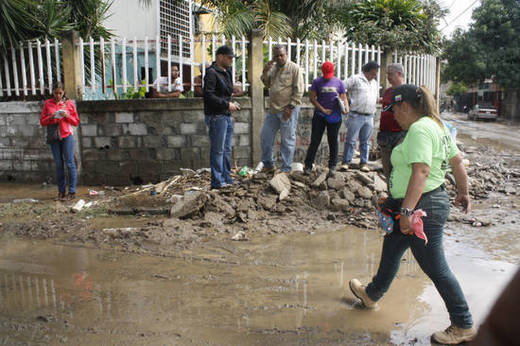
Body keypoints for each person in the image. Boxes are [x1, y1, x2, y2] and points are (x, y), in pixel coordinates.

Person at [348, 84, 476, 345]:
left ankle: (463, 324)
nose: (393, 115)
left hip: (421, 207)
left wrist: (407, 210)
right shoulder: (437, 126)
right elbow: (457, 163)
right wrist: (463, 192)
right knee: (393, 245)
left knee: (435, 266)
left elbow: (421, 172)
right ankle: (371, 294)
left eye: (394, 109)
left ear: (404, 106)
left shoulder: (419, 129)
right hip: (422, 201)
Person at [260, 45, 304, 173]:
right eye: (276, 56)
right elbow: (267, 84)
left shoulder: (294, 68)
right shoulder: (273, 68)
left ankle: (286, 169)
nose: (279, 58)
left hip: (288, 109)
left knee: (287, 140)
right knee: (265, 137)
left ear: (286, 54)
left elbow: (299, 90)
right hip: (273, 110)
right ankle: (268, 165)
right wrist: (265, 71)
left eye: (281, 55)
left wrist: (290, 107)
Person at [203, 45, 240, 189]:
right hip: (216, 116)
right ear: (220, 57)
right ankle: (217, 182)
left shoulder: (227, 71)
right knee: (218, 150)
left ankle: (226, 178)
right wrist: (226, 104)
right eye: (229, 57)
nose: (231, 60)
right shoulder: (212, 73)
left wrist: (233, 94)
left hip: (225, 115)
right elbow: (209, 95)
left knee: (226, 150)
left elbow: (226, 91)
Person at [304, 61, 349, 176]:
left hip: (335, 117)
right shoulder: (317, 82)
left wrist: (346, 108)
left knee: (333, 141)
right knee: (315, 140)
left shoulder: (339, 82)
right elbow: (312, 98)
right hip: (320, 116)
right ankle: (308, 165)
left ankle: (332, 166)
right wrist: (323, 109)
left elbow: (344, 98)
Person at [40, 82, 80, 201]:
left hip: (67, 135)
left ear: (64, 93)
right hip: (54, 137)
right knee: (58, 165)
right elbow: (42, 122)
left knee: (70, 163)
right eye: (56, 93)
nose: (58, 95)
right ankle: (61, 192)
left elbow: (76, 122)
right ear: (52, 92)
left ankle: (72, 192)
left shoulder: (69, 104)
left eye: (60, 93)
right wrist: (51, 117)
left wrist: (67, 116)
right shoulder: (48, 103)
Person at [341, 61, 380, 173]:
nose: (375, 75)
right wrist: (345, 100)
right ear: (368, 71)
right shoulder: (356, 79)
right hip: (356, 114)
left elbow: (376, 97)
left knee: (366, 141)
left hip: (369, 115)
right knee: (351, 140)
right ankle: (346, 162)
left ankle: (363, 163)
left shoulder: (374, 83)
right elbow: (342, 87)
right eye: (373, 73)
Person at [378, 63, 406, 182]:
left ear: (399, 74)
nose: (388, 77)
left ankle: (401, 197)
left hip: (400, 135)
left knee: (399, 167)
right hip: (385, 135)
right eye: (387, 74)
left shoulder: (407, 91)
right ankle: (391, 196)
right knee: (387, 169)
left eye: (390, 74)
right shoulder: (387, 92)